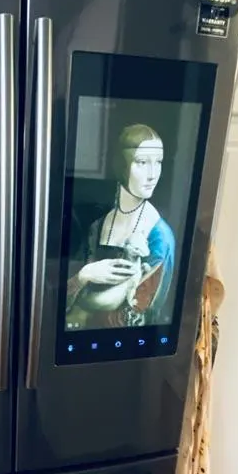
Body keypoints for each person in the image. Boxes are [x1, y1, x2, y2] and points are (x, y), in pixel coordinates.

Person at [66, 123, 175, 329]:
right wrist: (84, 275)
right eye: (142, 162)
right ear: (121, 164)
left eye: (158, 162)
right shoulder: (98, 225)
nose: (152, 174)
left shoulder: (160, 236)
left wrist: (84, 311)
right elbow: (61, 302)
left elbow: (140, 315)